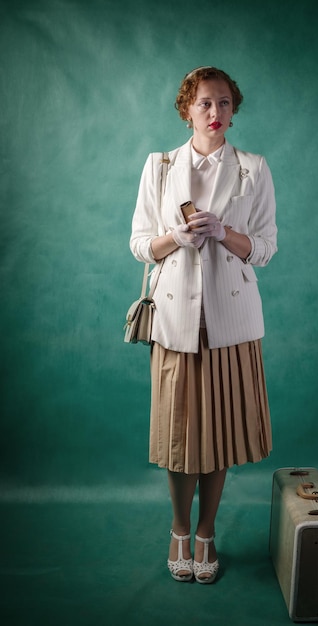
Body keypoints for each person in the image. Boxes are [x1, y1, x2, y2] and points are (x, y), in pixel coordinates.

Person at [129, 66, 277, 584]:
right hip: (173, 320)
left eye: (224, 105)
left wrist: (223, 232)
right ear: (187, 110)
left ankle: (207, 532)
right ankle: (178, 528)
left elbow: (265, 249)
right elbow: (140, 244)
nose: (216, 114)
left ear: (233, 110)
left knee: (217, 432)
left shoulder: (254, 169)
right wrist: (178, 237)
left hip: (230, 320)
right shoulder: (161, 165)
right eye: (205, 104)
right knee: (179, 434)